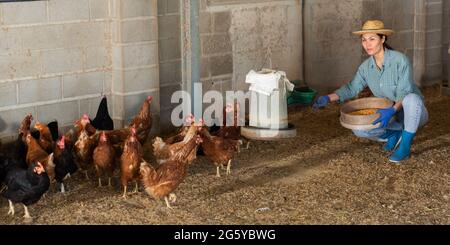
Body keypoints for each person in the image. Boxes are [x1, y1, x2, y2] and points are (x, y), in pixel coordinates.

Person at [313, 20, 429, 163]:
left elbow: (404, 92)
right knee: (359, 130)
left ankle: (404, 147)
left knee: (412, 98)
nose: (367, 44)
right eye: (364, 40)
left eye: (372, 39)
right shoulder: (365, 68)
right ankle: (394, 133)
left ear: (383, 39)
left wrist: (392, 110)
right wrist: (327, 98)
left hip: (414, 114)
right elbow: (351, 88)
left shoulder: (400, 60)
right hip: (391, 116)